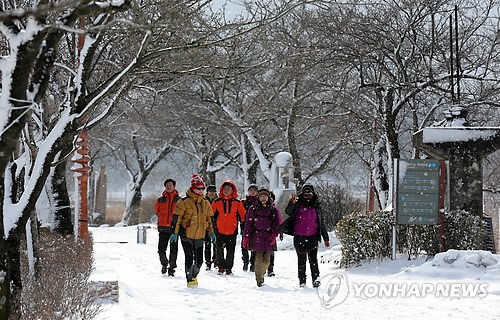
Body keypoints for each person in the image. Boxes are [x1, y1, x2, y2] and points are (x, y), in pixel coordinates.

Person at [170, 174, 216, 288]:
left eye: (202, 188)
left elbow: (210, 219)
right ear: (192, 188)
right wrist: (174, 233)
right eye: (198, 188)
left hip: (200, 234)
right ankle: (189, 279)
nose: (201, 191)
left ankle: (194, 275)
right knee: (189, 257)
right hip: (186, 234)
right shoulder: (184, 202)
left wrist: (212, 232)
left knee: (200, 260)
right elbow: (177, 219)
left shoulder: (205, 203)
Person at [280, 184, 330, 288]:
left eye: (310, 193)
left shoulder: (317, 206)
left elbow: (321, 223)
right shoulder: (298, 204)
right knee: (301, 260)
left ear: (313, 194)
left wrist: (326, 238)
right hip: (299, 237)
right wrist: (291, 203)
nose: (307, 196)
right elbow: (288, 212)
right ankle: (302, 281)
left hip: (313, 237)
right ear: (302, 194)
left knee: (313, 260)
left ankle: (316, 279)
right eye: (305, 194)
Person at [242, 186, 282, 287]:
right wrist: (246, 236)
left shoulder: (273, 209)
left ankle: (262, 272)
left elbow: (277, 223)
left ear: (268, 197)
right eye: (261, 196)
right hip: (257, 235)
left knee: (267, 260)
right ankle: (259, 278)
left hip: (269, 236)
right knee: (258, 258)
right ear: (258, 197)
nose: (263, 198)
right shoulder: (253, 209)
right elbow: (248, 223)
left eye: (265, 196)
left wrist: (275, 233)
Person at [211, 180, 246, 275]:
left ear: (232, 190)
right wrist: (211, 227)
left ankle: (229, 267)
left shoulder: (237, 202)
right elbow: (211, 215)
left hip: (232, 230)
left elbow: (243, 215)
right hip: (219, 230)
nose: (226, 190)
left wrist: (243, 225)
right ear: (222, 190)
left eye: (229, 189)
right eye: (225, 189)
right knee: (219, 250)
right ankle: (221, 266)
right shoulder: (216, 201)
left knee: (231, 251)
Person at [154, 178, 181, 276]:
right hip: (163, 228)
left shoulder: (179, 200)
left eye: (170, 185)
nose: (169, 187)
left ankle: (172, 268)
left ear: (174, 187)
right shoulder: (160, 200)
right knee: (161, 249)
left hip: (174, 228)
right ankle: (164, 263)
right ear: (165, 187)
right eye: (167, 185)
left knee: (173, 250)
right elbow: (157, 211)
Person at [241, 184, 258, 271]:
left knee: (254, 245)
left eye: (254, 190)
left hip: (256, 226)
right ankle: (245, 261)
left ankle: (253, 263)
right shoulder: (244, 202)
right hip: (245, 225)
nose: (253, 192)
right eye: (251, 190)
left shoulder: (258, 202)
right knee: (244, 245)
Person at [204, 185, 218, 270]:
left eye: (213, 191)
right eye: (210, 191)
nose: (212, 193)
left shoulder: (218, 200)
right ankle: (208, 262)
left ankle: (216, 260)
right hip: (206, 224)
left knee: (216, 245)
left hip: (216, 224)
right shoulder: (204, 200)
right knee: (207, 245)